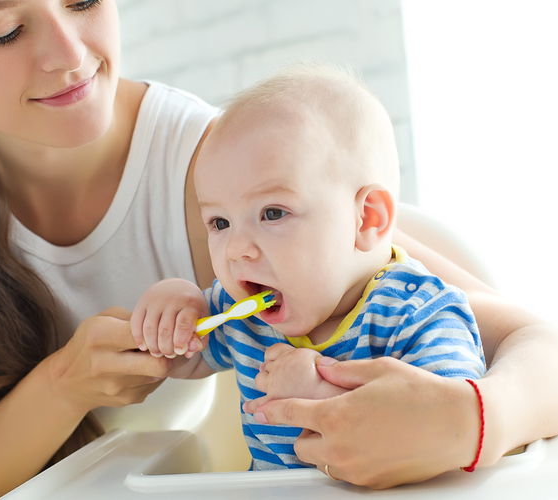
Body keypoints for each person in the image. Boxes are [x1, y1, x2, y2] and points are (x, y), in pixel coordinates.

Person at [0, 0, 558, 498]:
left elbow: (549, 350)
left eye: (82, 1)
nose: (70, 55)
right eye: (6, 30)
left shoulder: (224, 177)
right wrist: (64, 384)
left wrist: (470, 419)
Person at [130, 65, 487, 471]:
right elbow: (188, 356)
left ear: (367, 219)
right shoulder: (241, 310)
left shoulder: (419, 314)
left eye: (273, 212)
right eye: (220, 223)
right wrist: (174, 314)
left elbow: (447, 432)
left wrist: (321, 394)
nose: (236, 249)